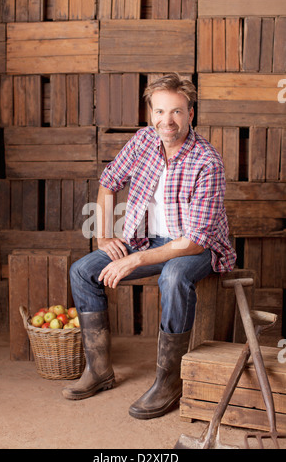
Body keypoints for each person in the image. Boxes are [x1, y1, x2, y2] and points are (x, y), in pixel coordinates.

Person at [62, 73, 236, 419]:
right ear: (150, 113)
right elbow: (108, 182)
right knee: (82, 271)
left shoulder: (207, 162)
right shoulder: (143, 141)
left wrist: (133, 260)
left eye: (175, 112)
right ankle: (99, 370)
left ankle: (168, 382)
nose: (166, 121)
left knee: (173, 275)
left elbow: (193, 240)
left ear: (190, 114)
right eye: (159, 111)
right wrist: (104, 236)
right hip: (148, 240)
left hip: (198, 249)